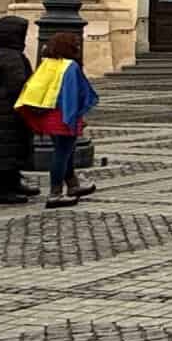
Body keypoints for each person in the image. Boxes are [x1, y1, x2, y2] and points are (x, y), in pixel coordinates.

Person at [16, 30, 99, 208]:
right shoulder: (70, 66)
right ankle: (55, 194)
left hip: (48, 115)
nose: (78, 47)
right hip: (64, 115)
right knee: (62, 154)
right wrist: (75, 117)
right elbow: (74, 94)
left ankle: (73, 185)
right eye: (75, 44)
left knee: (65, 151)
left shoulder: (47, 63)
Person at [0, 14, 38, 205]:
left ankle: (13, 183)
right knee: (6, 149)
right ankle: (2, 191)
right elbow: (17, 84)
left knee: (7, 148)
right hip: (8, 110)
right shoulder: (11, 56)